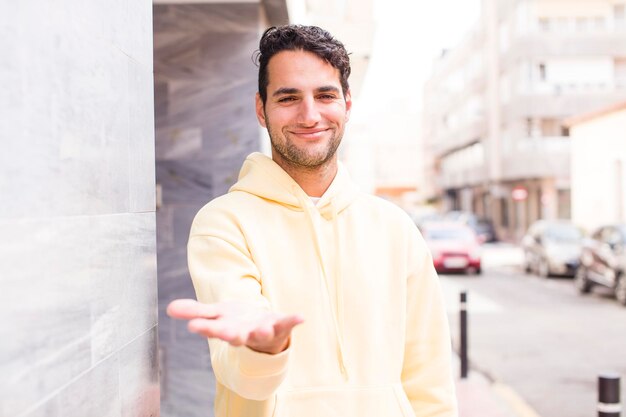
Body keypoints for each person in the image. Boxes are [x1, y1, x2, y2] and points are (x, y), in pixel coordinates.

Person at [167, 25, 457, 417]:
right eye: (288, 97)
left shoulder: (395, 228)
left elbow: (429, 379)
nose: (309, 115)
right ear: (260, 108)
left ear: (347, 104)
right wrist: (262, 349)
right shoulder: (224, 223)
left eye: (325, 95)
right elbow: (241, 375)